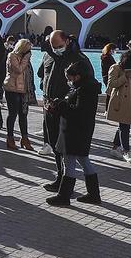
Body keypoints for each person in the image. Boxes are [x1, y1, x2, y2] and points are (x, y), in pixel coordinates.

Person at [39, 30, 94, 190]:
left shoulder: (79, 59)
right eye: (53, 46)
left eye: (59, 46)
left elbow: (86, 85)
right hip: (50, 106)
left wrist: (67, 102)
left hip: (67, 109)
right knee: (55, 145)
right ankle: (60, 177)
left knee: (66, 149)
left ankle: (65, 183)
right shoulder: (48, 55)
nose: (56, 49)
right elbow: (43, 75)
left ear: (68, 42)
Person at [47, 59, 102, 206]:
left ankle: (64, 196)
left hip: (75, 131)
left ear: (77, 76)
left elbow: (78, 112)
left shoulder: (84, 90)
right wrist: (60, 105)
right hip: (79, 130)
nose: (69, 81)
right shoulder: (85, 87)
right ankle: (93, 194)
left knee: (69, 161)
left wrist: (60, 106)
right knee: (83, 160)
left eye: (70, 78)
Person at [106, 51, 131, 164]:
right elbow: (111, 83)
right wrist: (125, 77)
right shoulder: (116, 67)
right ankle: (126, 151)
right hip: (122, 101)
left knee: (123, 125)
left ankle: (115, 147)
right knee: (125, 125)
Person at [2, 38, 34, 151]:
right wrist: (26, 58)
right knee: (13, 114)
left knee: (23, 115)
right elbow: (19, 69)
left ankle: (25, 138)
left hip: (23, 90)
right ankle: (10, 138)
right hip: (12, 89)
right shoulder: (12, 56)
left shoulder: (25, 59)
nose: (29, 52)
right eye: (27, 49)